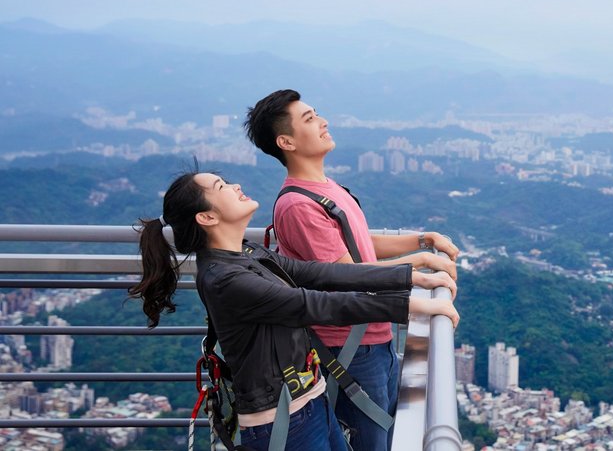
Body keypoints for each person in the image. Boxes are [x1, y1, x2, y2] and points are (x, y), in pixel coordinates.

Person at [128, 171, 458, 451]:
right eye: (222, 187)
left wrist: (409, 277)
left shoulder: (247, 254)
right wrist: (411, 303)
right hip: (281, 421)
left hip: (309, 400)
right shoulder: (225, 278)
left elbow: (321, 273)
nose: (235, 186)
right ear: (207, 217)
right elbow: (312, 304)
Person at [245, 89, 460, 451]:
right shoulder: (298, 205)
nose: (323, 122)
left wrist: (421, 240)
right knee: (372, 440)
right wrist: (420, 268)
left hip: (371, 336)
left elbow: (359, 244)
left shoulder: (325, 189)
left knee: (386, 433)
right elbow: (346, 273)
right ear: (286, 141)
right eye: (309, 119)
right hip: (346, 346)